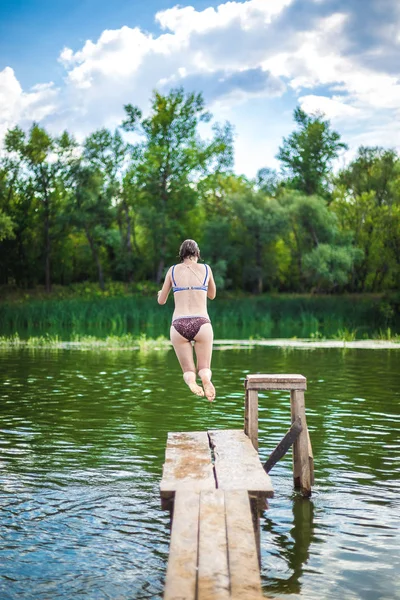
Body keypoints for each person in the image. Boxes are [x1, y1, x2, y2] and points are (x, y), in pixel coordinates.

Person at [157, 239, 216, 402]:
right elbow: (212, 295)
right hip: (202, 323)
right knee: (204, 367)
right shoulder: (206, 269)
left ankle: (191, 382)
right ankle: (205, 379)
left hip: (179, 325)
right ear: (197, 253)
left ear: (181, 254)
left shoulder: (172, 270)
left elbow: (161, 301)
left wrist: (159, 293)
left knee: (188, 371)